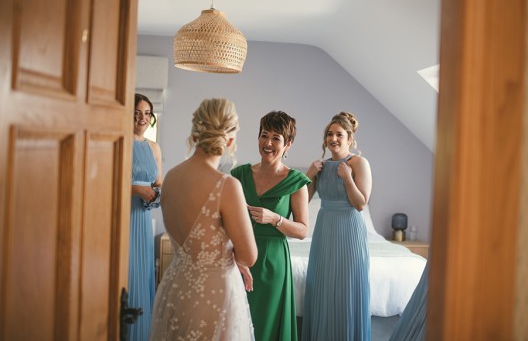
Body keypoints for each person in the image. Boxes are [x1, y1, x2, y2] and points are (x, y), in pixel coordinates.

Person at [150, 98, 258, 340]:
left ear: (195, 133)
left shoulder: (172, 177)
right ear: (230, 139)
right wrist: (231, 257)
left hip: (176, 286)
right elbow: (249, 256)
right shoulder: (227, 185)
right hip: (214, 295)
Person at [231, 111, 311, 341]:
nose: (268, 143)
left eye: (277, 138)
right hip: (240, 257)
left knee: (265, 324)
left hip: (273, 262)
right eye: (264, 135)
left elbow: (303, 230)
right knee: (237, 322)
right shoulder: (239, 175)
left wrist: (275, 219)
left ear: (288, 145)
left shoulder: (296, 182)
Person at [302, 112, 372, 341]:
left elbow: (361, 204)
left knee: (346, 286)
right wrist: (309, 175)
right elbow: (303, 201)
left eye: (339, 134)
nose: (333, 138)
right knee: (323, 284)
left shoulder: (359, 163)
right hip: (324, 229)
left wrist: (348, 178)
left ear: (349, 138)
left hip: (349, 229)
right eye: (329, 134)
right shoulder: (321, 166)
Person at [129, 93, 163, 341]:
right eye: (137, 112)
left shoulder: (153, 147)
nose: (142, 118)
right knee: (126, 272)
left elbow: (158, 183)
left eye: (147, 113)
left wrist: (154, 195)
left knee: (143, 273)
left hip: (143, 218)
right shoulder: (117, 142)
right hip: (123, 215)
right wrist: (135, 189)